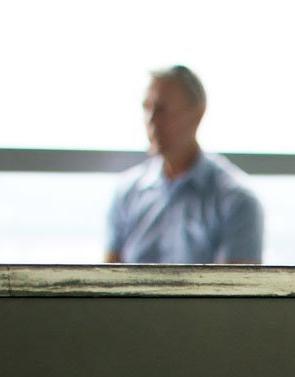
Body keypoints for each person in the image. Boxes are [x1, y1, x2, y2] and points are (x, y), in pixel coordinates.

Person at [105, 66, 262, 264]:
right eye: (146, 107)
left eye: (161, 109)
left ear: (197, 114)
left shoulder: (236, 202)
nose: (151, 120)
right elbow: (107, 283)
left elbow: (235, 291)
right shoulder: (127, 194)